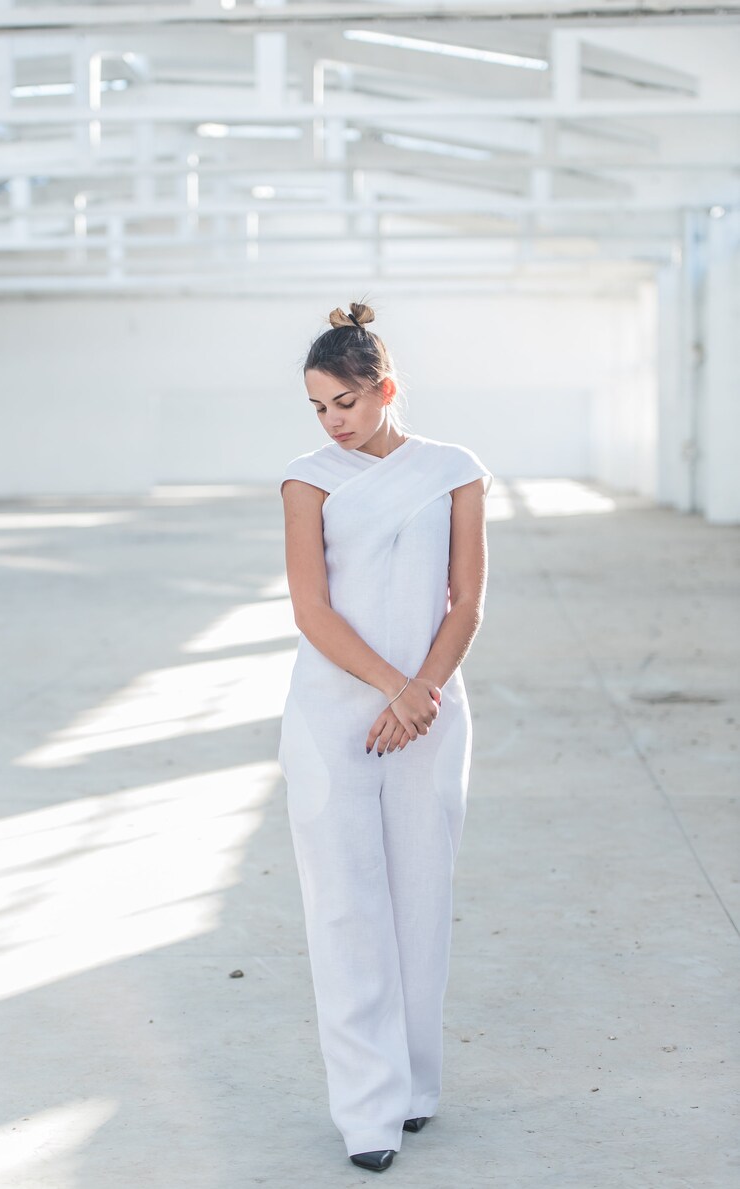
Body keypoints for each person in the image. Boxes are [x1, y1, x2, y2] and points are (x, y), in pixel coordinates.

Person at [277, 300, 493, 1173]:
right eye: (320, 407)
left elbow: (467, 599)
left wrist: (423, 691)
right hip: (335, 716)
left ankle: (414, 1088)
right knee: (345, 907)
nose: (333, 421)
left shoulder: (455, 470)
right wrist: (393, 687)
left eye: (346, 403)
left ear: (386, 389)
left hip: (432, 716)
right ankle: (366, 1110)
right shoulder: (307, 477)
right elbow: (310, 608)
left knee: (419, 903)